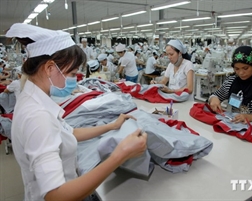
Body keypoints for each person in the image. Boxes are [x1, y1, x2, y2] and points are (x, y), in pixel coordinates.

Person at [6, 23, 147, 201]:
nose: (75, 80)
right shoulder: (37, 116)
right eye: (72, 74)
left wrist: (112, 126)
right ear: (50, 69)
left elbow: (69, 132)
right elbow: (56, 195)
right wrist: (120, 155)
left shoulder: (34, 99)